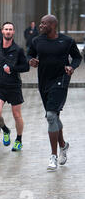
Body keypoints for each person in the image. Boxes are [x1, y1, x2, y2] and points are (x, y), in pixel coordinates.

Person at [27, 15, 82, 171]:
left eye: (44, 23)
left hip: (61, 80)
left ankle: (53, 156)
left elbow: (77, 58)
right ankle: (63, 145)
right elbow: (29, 54)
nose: (41, 25)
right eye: (41, 22)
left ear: (53, 25)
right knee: (54, 117)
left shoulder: (67, 41)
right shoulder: (37, 41)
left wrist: (72, 67)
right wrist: (31, 60)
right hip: (44, 81)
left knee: (51, 116)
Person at [0, 22, 30, 151]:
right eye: (6, 29)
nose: (8, 31)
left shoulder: (18, 49)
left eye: (10, 29)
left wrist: (12, 69)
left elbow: (26, 67)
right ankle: (5, 130)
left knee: (16, 115)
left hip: (13, 86)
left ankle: (19, 140)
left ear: (13, 32)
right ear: (2, 31)